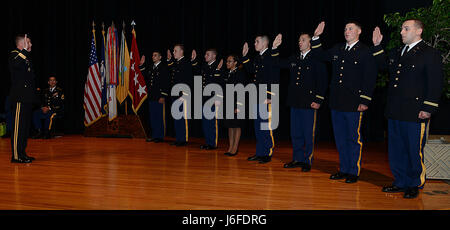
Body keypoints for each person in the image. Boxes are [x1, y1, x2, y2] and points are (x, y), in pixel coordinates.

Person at [372, 19, 443, 198]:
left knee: (413, 149)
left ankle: (414, 183)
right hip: (395, 109)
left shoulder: (429, 53)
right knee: (396, 149)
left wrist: (428, 107)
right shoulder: (398, 51)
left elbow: (435, 83)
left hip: (415, 110)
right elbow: (383, 66)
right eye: (402, 29)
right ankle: (400, 181)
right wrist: (377, 46)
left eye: (406, 29)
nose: (402, 32)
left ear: (419, 31)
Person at [311, 21, 378, 183]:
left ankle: (353, 171)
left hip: (354, 103)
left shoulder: (365, 51)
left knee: (353, 138)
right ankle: (343, 169)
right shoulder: (338, 48)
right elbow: (319, 56)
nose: (346, 31)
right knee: (340, 138)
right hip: (336, 102)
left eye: (350, 29)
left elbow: (369, 78)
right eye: (345, 28)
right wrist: (316, 38)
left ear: (359, 31)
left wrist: (365, 100)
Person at [280, 33, 328, 172]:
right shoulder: (294, 58)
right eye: (299, 40)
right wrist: (275, 49)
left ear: (310, 43)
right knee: (295, 132)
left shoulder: (316, 58)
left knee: (308, 133)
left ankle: (307, 160)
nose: (300, 42)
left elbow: (322, 80)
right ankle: (297, 158)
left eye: (303, 40)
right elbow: (278, 64)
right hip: (295, 101)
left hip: (309, 102)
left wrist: (318, 99)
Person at [241, 34, 282, 164]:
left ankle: (267, 153)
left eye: (257, 41)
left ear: (264, 43)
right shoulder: (258, 57)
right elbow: (252, 72)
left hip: (266, 97)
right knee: (258, 127)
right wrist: (245, 57)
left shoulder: (271, 56)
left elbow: (275, 77)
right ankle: (260, 153)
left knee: (266, 126)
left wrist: (271, 96)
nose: (255, 44)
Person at [8, 34, 37, 163]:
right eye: (28, 42)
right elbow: (16, 65)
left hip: (27, 98)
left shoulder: (26, 57)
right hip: (19, 98)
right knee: (18, 128)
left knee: (24, 129)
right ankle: (16, 156)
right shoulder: (14, 54)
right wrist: (24, 50)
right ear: (21, 44)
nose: (30, 45)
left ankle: (22, 153)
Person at [216, 55, 247, 156]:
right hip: (228, 102)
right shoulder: (227, 73)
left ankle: (235, 147)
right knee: (230, 125)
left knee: (236, 125)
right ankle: (230, 147)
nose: (227, 63)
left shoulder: (240, 73)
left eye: (230, 61)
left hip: (237, 102)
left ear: (235, 63)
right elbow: (220, 83)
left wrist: (238, 105)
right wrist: (218, 69)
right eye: (227, 61)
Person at [167, 44, 195, 147]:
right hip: (175, 94)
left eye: (175, 51)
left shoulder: (186, 63)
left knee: (183, 118)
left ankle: (184, 139)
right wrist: (169, 60)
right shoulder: (177, 63)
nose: (173, 52)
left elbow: (188, 80)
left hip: (182, 95)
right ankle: (179, 138)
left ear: (181, 52)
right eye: (173, 51)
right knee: (177, 117)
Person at [192, 49, 220, 150]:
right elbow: (197, 74)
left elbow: (220, 84)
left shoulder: (218, 66)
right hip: (204, 98)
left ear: (214, 56)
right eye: (205, 54)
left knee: (212, 123)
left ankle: (213, 143)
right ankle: (208, 142)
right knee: (205, 122)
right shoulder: (204, 67)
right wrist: (194, 60)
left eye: (207, 54)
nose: (205, 56)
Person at [139, 51, 169, 143]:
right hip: (152, 96)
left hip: (159, 96)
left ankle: (160, 136)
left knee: (160, 117)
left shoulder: (163, 68)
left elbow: (166, 82)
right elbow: (145, 78)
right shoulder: (151, 67)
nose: (153, 57)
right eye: (152, 55)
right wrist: (142, 65)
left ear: (160, 57)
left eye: (155, 55)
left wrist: (163, 95)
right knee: (153, 117)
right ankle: (155, 135)